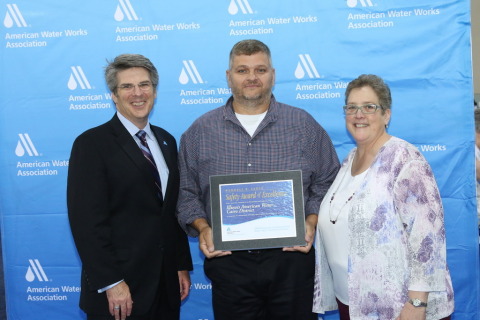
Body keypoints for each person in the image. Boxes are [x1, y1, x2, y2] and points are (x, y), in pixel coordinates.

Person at [176, 39, 340, 319]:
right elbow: (187, 193)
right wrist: (203, 227)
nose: (252, 77)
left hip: (291, 260)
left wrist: (310, 221)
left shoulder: (303, 125)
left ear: (273, 75)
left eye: (260, 70)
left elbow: (328, 181)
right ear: (229, 77)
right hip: (230, 265)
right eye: (242, 70)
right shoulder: (201, 131)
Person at [313, 74, 454, 320]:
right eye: (352, 107)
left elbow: (427, 235)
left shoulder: (405, 158)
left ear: (386, 115)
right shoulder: (348, 161)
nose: (359, 115)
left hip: (399, 306)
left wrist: (416, 303)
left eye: (369, 107)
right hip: (354, 303)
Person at [67, 54, 193, 320]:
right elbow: (87, 224)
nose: (138, 93)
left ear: (155, 92)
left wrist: (181, 264)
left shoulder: (167, 141)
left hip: (165, 285)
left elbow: (171, 210)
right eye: (127, 86)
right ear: (113, 94)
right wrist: (112, 282)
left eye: (144, 85)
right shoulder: (91, 144)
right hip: (121, 290)